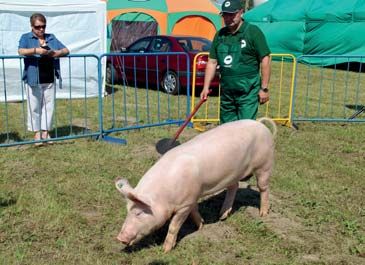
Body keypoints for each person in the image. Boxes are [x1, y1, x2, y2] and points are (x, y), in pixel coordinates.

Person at [200, 0, 271, 124]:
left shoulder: (253, 32)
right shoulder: (220, 35)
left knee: (245, 129)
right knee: (226, 129)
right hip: (227, 92)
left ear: (241, 13)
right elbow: (212, 62)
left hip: (247, 92)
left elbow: (265, 58)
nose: (228, 18)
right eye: (225, 15)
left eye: (232, 14)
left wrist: (264, 88)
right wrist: (206, 87)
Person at [18, 13, 69, 145]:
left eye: (43, 26)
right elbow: (21, 51)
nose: (41, 29)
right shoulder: (26, 37)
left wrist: (57, 53)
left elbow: (66, 50)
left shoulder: (51, 37)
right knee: (34, 105)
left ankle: (46, 132)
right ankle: (37, 133)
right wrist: (36, 50)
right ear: (32, 26)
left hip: (49, 75)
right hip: (33, 76)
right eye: (38, 27)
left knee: (49, 105)